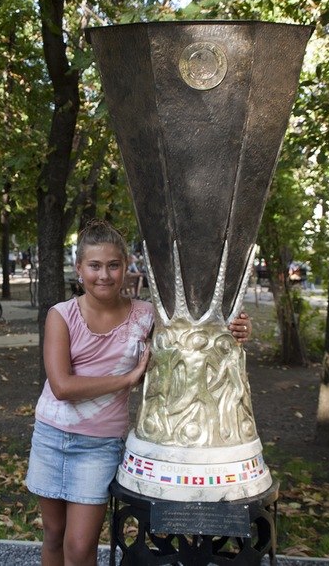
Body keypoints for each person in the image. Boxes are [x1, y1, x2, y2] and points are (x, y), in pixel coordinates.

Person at [26, 219, 252, 566]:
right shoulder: (62, 315)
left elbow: (194, 339)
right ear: (79, 269)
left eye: (113, 265)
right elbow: (62, 387)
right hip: (50, 437)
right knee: (54, 535)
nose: (104, 275)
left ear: (126, 266)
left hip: (98, 446)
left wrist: (236, 330)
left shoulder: (145, 317)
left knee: (79, 547)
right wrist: (127, 379)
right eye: (94, 266)